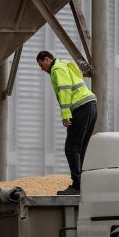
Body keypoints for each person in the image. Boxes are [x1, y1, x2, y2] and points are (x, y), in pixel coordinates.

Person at [36, 50, 97, 195]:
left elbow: (65, 90)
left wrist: (65, 114)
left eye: (41, 65)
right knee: (81, 148)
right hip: (91, 105)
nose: (41, 69)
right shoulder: (65, 64)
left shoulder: (57, 69)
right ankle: (85, 185)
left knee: (71, 148)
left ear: (47, 59)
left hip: (81, 107)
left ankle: (78, 186)